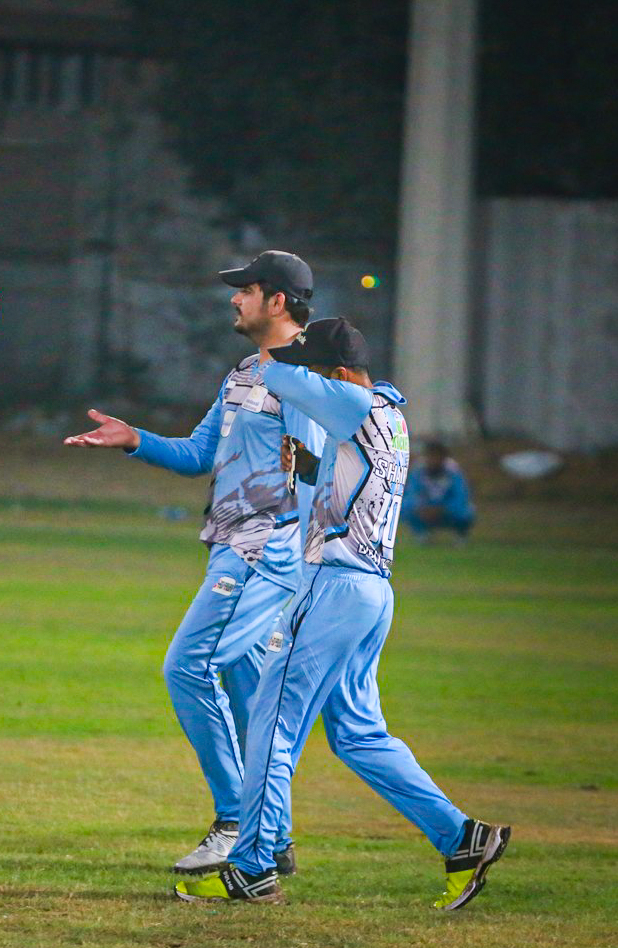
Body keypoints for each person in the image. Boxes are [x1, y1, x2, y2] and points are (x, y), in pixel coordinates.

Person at [175, 318, 509, 910]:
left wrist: (267, 331)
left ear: (335, 374)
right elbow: (348, 486)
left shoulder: (352, 401)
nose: (302, 382)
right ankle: (462, 838)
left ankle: (253, 867)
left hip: (332, 590)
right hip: (370, 592)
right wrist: (308, 467)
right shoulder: (387, 414)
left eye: (314, 373)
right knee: (359, 735)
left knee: (271, 726)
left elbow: (279, 376)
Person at [65, 251, 324, 876]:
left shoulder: (304, 377)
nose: (235, 299)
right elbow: (199, 454)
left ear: (278, 301)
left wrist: (306, 558)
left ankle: (235, 822)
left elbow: (316, 476)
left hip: (263, 552)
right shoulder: (245, 372)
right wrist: (135, 439)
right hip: (230, 548)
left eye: (246, 290)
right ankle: (272, 837)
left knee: (187, 667)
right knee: (248, 694)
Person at [403, 441, 475, 542]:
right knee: (405, 507)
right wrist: (422, 507)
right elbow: (411, 494)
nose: (434, 460)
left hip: (447, 509)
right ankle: (421, 534)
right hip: (425, 509)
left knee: (467, 511)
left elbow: (461, 496)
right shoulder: (418, 470)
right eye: (431, 456)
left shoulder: (453, 471)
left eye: (437, 456)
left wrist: (443, 508)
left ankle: (460, 534)